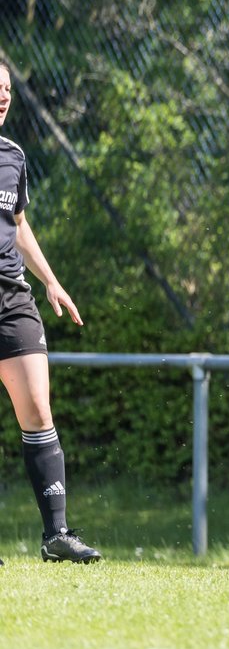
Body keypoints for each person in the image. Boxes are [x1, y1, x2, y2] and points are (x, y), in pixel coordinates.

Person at [0, 63, 99, 565]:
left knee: (38, 410)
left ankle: (56, 536)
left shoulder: (13, 156)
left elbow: (18, 225)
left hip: (12, 296)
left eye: (7, 89)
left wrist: (51, 281)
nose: (2, 97)